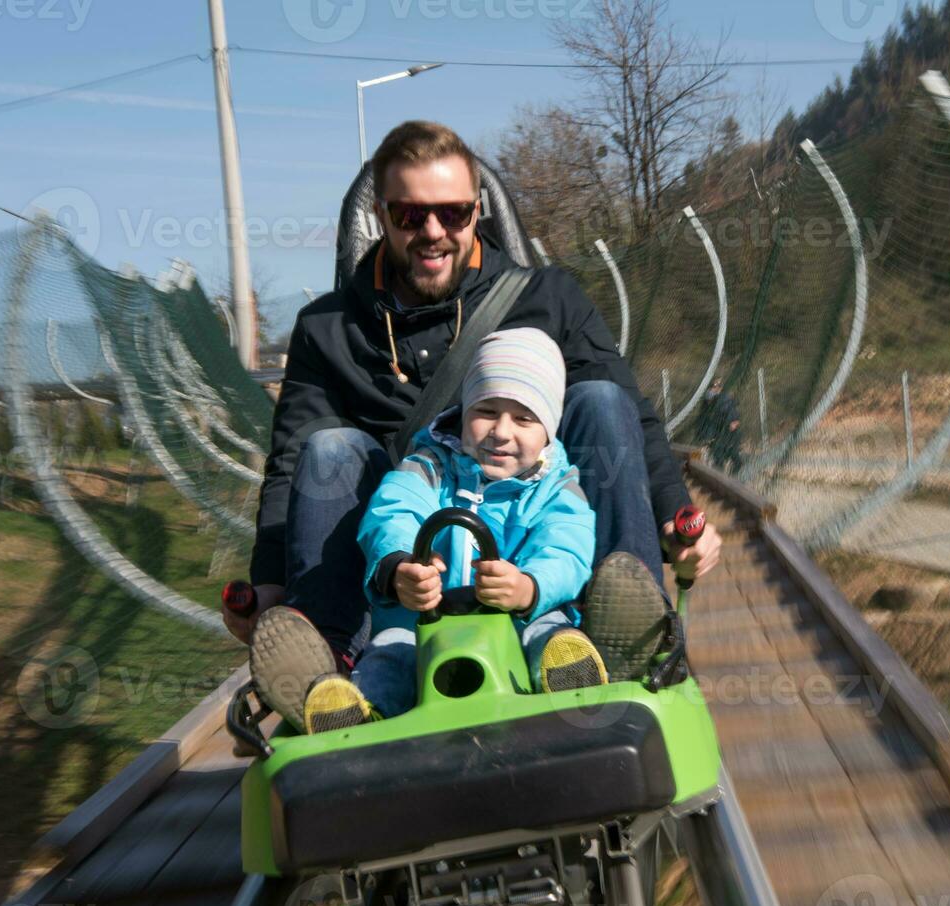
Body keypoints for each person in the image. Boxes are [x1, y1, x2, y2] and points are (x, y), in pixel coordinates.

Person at [222, 121, 722, 715]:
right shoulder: (326, 329)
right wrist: (270, 583)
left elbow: (629, 419)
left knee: (602, 399)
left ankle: (627, 635)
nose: (433, 233)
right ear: (381, 216)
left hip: (529, 541)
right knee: (328, 449)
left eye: (453, 213)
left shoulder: (549, 298)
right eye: (410, 216)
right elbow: (289, 462)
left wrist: (673, 515)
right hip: (402, 581)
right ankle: (329, 676)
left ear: (477, 211)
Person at [253, 329, 611, 733]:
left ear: (548, 430)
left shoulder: (556, 486)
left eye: (524, 419)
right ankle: (359, 715)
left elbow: (568, 545)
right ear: (465, 412)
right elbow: (395, 510)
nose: (502, 431)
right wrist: (399, 565)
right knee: (390, 652)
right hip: (424, 623)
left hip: (519, 616)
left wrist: (530, 587)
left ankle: (567, 679)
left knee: (550, 632)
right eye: (487, 411)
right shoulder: (429, 466)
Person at [696, 379, 743, 474]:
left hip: (728, 434)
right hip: (717, 433)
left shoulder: (724, 401)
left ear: (720, 389)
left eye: (716, 387)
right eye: (712, 387)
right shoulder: (709, 401)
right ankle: (721, 476)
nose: (713, 390)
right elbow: (706, 419)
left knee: (731, 454)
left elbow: (734, 419)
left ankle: (734, 472)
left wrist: (733, 423)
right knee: (718, 457)